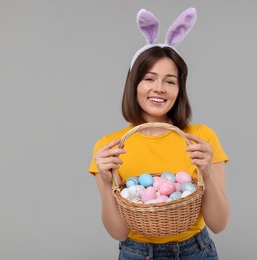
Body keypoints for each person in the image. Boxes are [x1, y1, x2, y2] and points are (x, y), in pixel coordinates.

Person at [89, 7, 230, 260]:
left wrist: (206, 171)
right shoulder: (111, 147)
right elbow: (118, 233)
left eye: (170, 81)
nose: (159, 88)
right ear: (134, 84)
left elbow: (218, 224)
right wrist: (105, 179)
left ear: (179, 89)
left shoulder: (200, 138)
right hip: (137, 253)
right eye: (149, 78)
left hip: (196, 251)